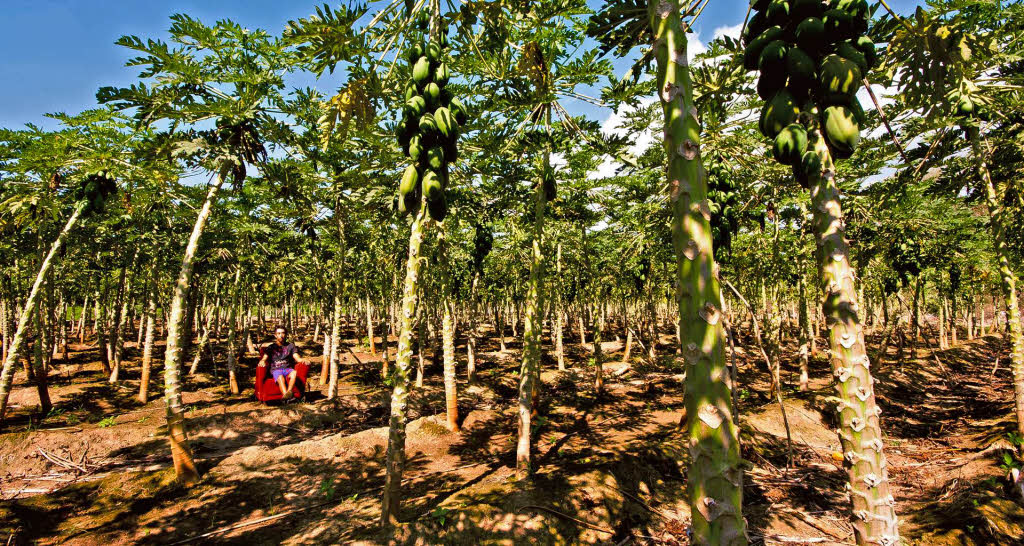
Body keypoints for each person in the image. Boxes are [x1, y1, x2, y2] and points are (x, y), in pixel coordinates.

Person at [258, 326, 305, 401]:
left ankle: (288, 393)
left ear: (286, 334)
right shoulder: (271, 347)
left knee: (294, 373)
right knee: (280, 378)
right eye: (279, 333)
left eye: (283, 333)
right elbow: (264, 357)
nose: (281, 335)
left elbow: (297, 358)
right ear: (275, 335)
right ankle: (287, 397)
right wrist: (262, 361)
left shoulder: (290, 346)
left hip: (287, 369)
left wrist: (303, 360)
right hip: (276, 370)